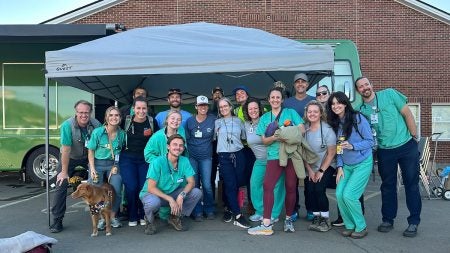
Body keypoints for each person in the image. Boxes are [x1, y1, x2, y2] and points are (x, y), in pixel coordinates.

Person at [356, 76, 421, 237]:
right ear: (358, 91)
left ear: (372, 85)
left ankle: (413, 221)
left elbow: (407, 113)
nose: (365, 88)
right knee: (387, 186)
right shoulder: (361, 110)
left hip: (406, 146)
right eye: (361, 87)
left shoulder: (390, 94)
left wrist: (414, 136)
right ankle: (388, 220)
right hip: (385, 151)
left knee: (411, 184)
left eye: (366, 84)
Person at [248, 87, 304, 235]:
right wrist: (275, 137)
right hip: (273, 155)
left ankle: (288, 219)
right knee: (268, 186)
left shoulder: (290, 113)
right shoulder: (265, 118)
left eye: (278, 97)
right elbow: (265, 141)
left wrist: (285, 132)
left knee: (291, 187)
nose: (275, 100)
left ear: (282, 99)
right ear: (269, 100)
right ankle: (266, 223)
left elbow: (302, 130)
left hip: (291, 154)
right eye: (272, 97)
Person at [327, 91, 374, 239]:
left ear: (345, 103)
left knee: (350, 195)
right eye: (333, 104)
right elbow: (339, 149)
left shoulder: (357, 118)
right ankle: (350, 225)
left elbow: (370, 141)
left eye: (338, 102)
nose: (336, 106)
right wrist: (339, 167)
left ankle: (361, 226)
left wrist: (352, 146)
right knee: (340, 194)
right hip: (346, 165)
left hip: (362, 163)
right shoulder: (335, 123)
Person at [49, 100, 101, 233]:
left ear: (90, 113)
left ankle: (99, 218)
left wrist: (95, 167)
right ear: (76, 112)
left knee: (97, 182)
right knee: (61, 183)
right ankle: (57, 220)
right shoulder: (67, 125)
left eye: (86, 112)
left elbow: (99, 146)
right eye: (81, 112)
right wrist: (64, 172)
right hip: (70, 157)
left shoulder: (96, 125)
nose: (84, 115)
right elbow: (65, 150)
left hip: (89, 157)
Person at [139, 134, 202, 234]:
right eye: (175, 144)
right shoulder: (157, 162)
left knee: (196, 192)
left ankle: (175, 217)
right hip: (153, 195)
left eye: (181, 145)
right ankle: (149, 221)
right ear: (168, 147)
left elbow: (191, 182)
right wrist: (170, 199)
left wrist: (182, 195)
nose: (178, 147)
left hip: (172, 193)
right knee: (153, 203)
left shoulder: (184, 161)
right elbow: (151, 188)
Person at [242, 97, 286, 224]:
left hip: (274, 158)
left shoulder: (267, 120)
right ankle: (260, 211)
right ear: (247, 111)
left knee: (276, 187)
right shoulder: (246, 125)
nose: (253, 110)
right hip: (260, 160)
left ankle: (274, 213)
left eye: (255, 108)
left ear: (260, 109)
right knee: (254, 184)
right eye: (250, 108)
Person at [87, 106, 126, 230]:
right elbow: (91, 151)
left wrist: (116, 165)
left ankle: (112, 216)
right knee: (95, 191)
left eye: (117, 115)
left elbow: (121, 151)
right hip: (97, 163)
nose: (114, 118)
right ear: (106, 117)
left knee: (116, 189)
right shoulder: (98, 132)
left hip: (113, 164)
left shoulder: (122, 134)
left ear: (120, 118)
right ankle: (99, 219)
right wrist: (92, 169)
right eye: (111, 115)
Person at [283, 73, 315, 221]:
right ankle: (293, 209)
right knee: (293, 180)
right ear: (294, 85)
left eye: (303, 82)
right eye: (297, 82)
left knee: (310, 178)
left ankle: (311, 209)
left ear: (307, 84)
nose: (300, 84)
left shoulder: (313, 101)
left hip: (310, 143)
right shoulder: (287, 103)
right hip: (293, 146)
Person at [144, 110, 186, 221]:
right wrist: (161, 162)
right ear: (166, 120)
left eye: (178, 119)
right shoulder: (157, 136)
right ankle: (151, 217)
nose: (175, 121)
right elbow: (147, 153)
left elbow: (185, 150)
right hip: (161, 171)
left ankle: (173, 216)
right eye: (172, 118)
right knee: (160, 191)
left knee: (181, 189)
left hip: (177, 169)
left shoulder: (182, 132)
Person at [215, 97, 250, 228]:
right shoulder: (217, 123)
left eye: (226, 106)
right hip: (224, 156)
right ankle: (238, 215)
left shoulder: (239, 121)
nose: (223, 108)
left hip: (239, 154)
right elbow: (214, 139)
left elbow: (244, 137)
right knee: (230, 184)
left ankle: (230, 208)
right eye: (221, 107)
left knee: (239, 182)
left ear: (230, 107)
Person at [119, 96, 154, 227]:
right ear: (133, 109)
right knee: (131, 187)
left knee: (142, 187)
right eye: (138, 108)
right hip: (127, 159)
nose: (141, 111)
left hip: (145, 159)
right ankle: (132, 214)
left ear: (147, 109)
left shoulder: (152, 121)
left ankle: (142, 214)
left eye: (144, 108)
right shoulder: (125, 121)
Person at [303, 100, 336, 232]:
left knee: (319, 189)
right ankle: (317, 217)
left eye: (315, 111)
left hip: (326, 165)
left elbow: (331, 153)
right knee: (310, 190)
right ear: (306, 113)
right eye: (310, 111)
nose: (312, 114)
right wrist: (310, 170)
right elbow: (303, 152)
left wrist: (321, 171)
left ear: (321, 113)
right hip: (310, 167)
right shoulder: (304, 130)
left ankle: (325, 219)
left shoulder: (327, 130)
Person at [185, 95, 216, 221]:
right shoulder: (190, 121)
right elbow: (186, 139)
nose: (203, 107)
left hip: (206, 157)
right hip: (192, 157)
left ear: (207, 107)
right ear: (196, 107)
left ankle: (209, 209)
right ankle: (197, 211)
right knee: (195, 185)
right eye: (200, 105)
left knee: (207, 184)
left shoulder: (213, 120)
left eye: (205, 105)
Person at [232, 85, 256, 215]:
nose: (239, 95)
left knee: (254, 177)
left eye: (242, 92)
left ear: (247, 94)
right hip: (241, 148)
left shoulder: (256, 106)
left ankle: (254, 204)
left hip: (255, 148)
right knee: (244, 176)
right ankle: (246, 203)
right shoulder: (235, 111)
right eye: (237, 94)